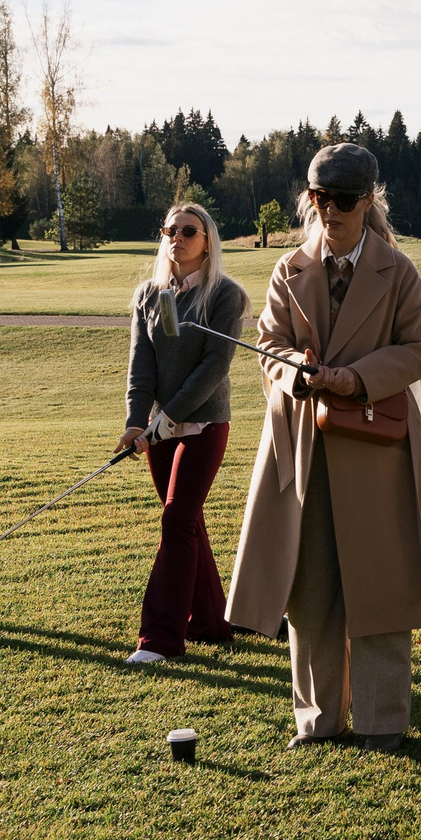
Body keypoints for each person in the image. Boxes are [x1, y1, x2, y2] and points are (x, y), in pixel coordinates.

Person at [226, 146, 421, 753]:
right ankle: (319, 722)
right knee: (310, 589)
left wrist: (358, 378)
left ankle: (382, 721)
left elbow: (420, 349)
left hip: (377, 449)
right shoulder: (287, 269)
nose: (332, 211)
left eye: (344, 200)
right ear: (310, 200)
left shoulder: (398, 272)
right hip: (303, 446)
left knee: (381, 586)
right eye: (321, 200)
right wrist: (295, 368)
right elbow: (269, 346)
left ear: (368, 201)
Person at [119, 200, 247, 666]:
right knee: (187, 522)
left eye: (188, 231)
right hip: (158, 429)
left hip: (204, 423)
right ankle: (212, 622)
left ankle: (159, 638)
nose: (177, 238)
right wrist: (138, 422)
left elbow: (214, 367)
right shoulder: (148, 294)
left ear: (207, 239)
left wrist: (169, 415)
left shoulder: (224, 294)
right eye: (170, 230)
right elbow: (141, 367)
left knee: (175, 519)